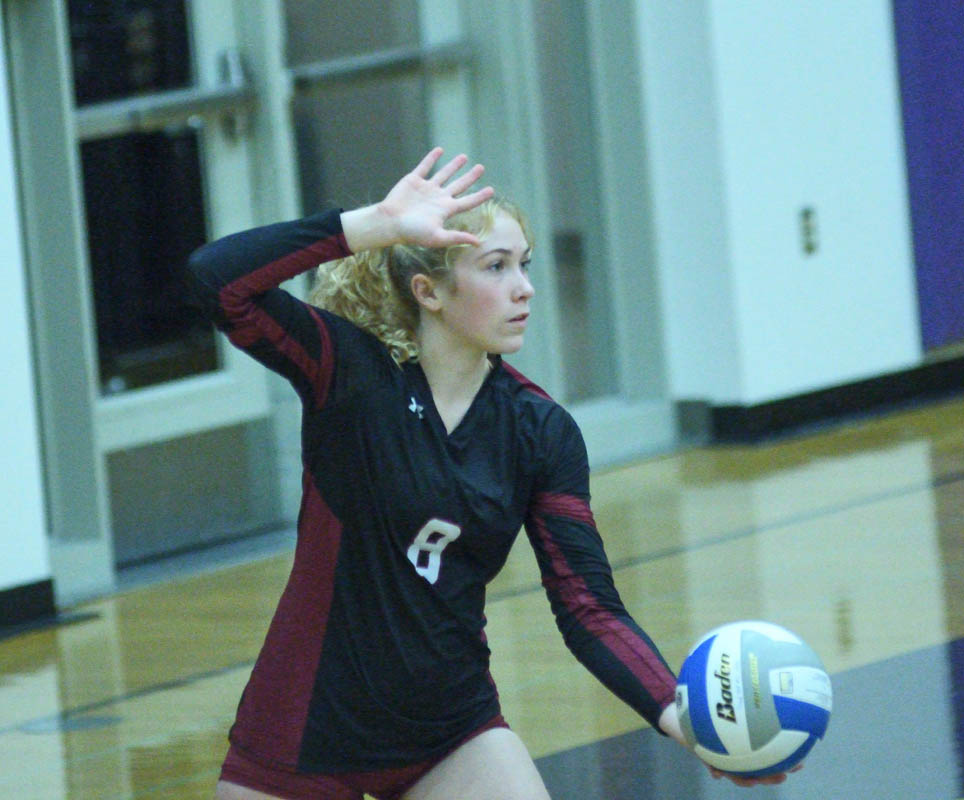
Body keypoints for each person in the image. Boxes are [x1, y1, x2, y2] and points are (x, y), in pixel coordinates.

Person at [187, 148, 795, 799]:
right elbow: (217, 279)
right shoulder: (350, 377)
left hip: (448, 730)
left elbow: (586, 606)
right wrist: (376, 224)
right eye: (496, 267)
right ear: (430, 292)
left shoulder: (539, 431)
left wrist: (682, 720)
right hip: (304, 729)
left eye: (525, 265)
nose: (525, 287)